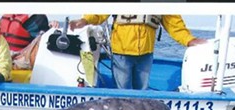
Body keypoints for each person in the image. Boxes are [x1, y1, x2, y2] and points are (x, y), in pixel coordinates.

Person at [69, 14, 207, 90]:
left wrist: (189, 40)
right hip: (121, 52)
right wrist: (84, 20)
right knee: (123, 94)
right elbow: (99, 12)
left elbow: (174, 23)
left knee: (142, 92)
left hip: (146, 54)